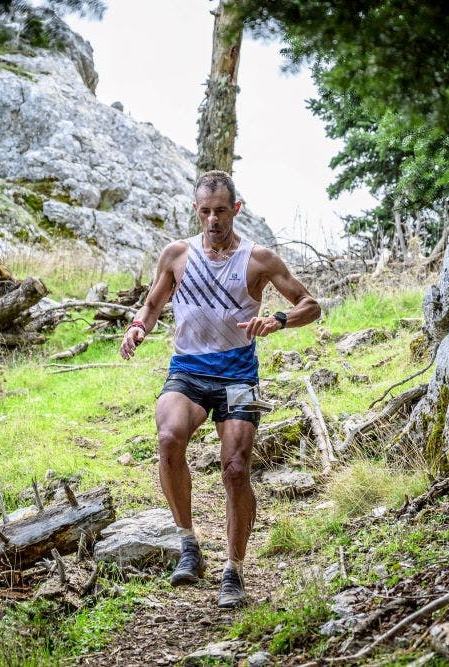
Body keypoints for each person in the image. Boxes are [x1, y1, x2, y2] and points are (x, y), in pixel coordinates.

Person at [119, 170, 320, 608]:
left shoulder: (259, 258)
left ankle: (234, 569)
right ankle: (188, 543)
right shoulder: (177, 254)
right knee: (169, 436)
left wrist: (279, 320)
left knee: (235, 468)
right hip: (187, 370)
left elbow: (311, 305)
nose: (213, 220)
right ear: (196, 210)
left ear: (237, 210)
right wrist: (137, 327)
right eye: (205, 211)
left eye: (221, 211)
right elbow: (153, 304)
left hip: (241, 376)